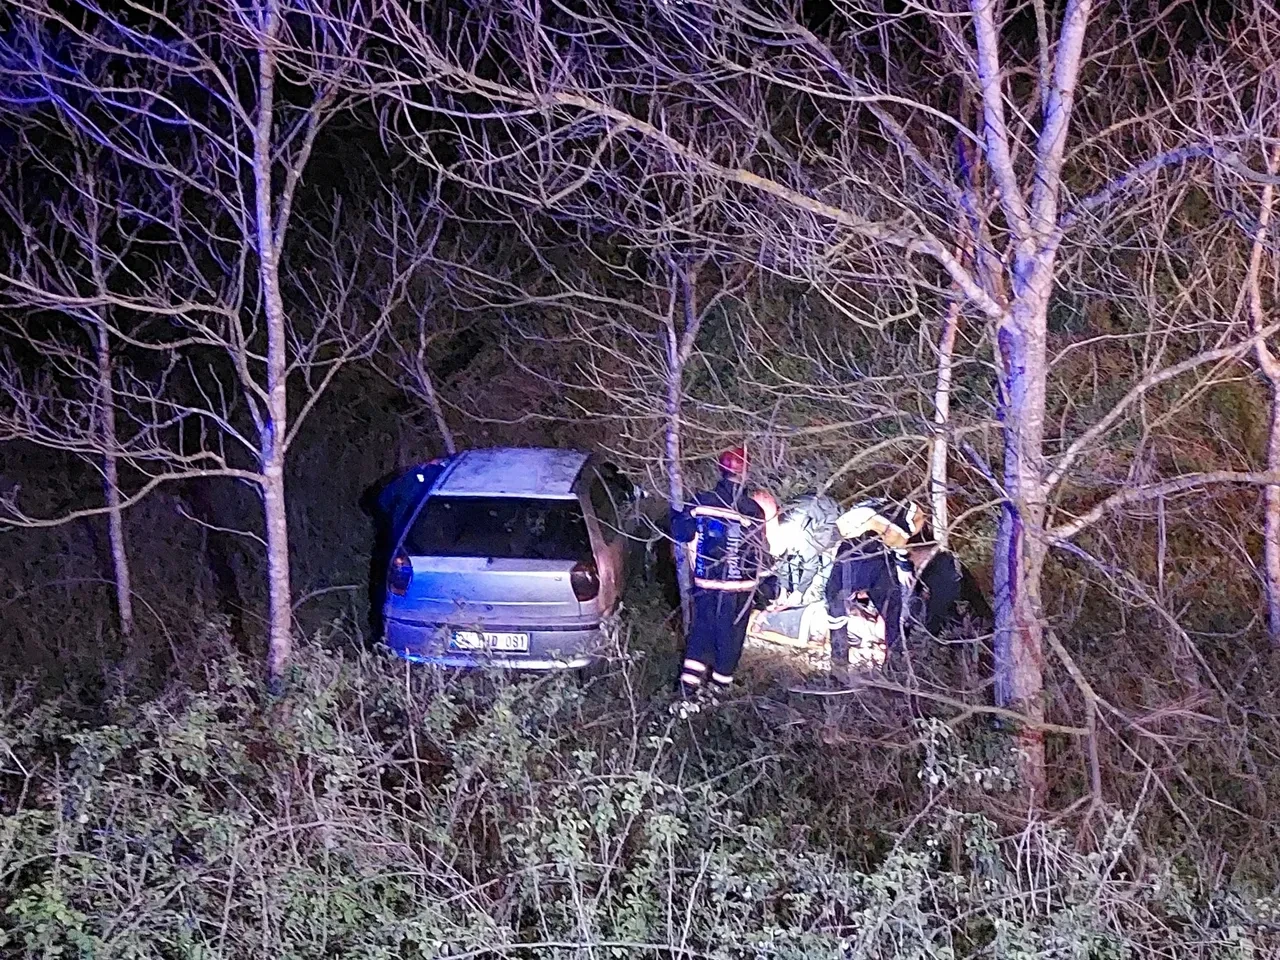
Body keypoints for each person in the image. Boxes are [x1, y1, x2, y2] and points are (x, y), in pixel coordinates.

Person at [671, 447, 777, 705]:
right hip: (739, 591)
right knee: (730, 642)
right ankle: (717, 695)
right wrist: (769, 586)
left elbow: (681, 533)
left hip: (706, 585)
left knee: (700, 636)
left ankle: (687, 695)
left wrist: (677, 515)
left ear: (721, 470)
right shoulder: (752, 510)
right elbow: (760, 553)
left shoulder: (701, 501)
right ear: (744, 473)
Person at [824, 497, 926, 673]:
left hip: (865, 557)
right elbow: (896, 537)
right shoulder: (873, 516)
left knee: (839, 604)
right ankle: (892, 666)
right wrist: (903, 564)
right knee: (840, 604)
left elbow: (896, 537)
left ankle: (890, 666)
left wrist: (902, 563)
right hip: (861, 555)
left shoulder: (879, 513)